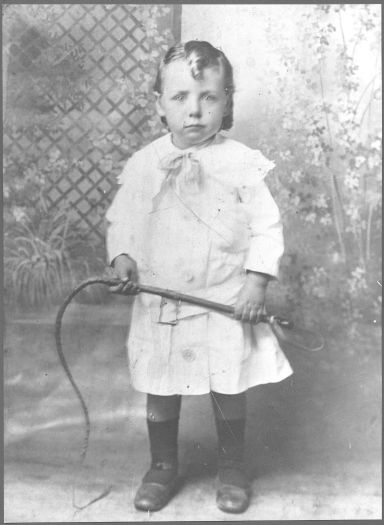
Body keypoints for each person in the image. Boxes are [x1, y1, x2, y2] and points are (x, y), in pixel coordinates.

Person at [106, 40, 293, 514]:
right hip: (164, 302)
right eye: (181, 98)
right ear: (160, 105)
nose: (194, 111)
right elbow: (122, 220)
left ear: (227, 101)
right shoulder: (147, 162)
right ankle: (162, 466)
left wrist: (255, 283)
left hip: (224, 298)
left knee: (228, 384)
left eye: (208, 97)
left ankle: (231, 468)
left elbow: (266, 226)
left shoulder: (241, 162)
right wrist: (122, 256)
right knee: (162, 383)